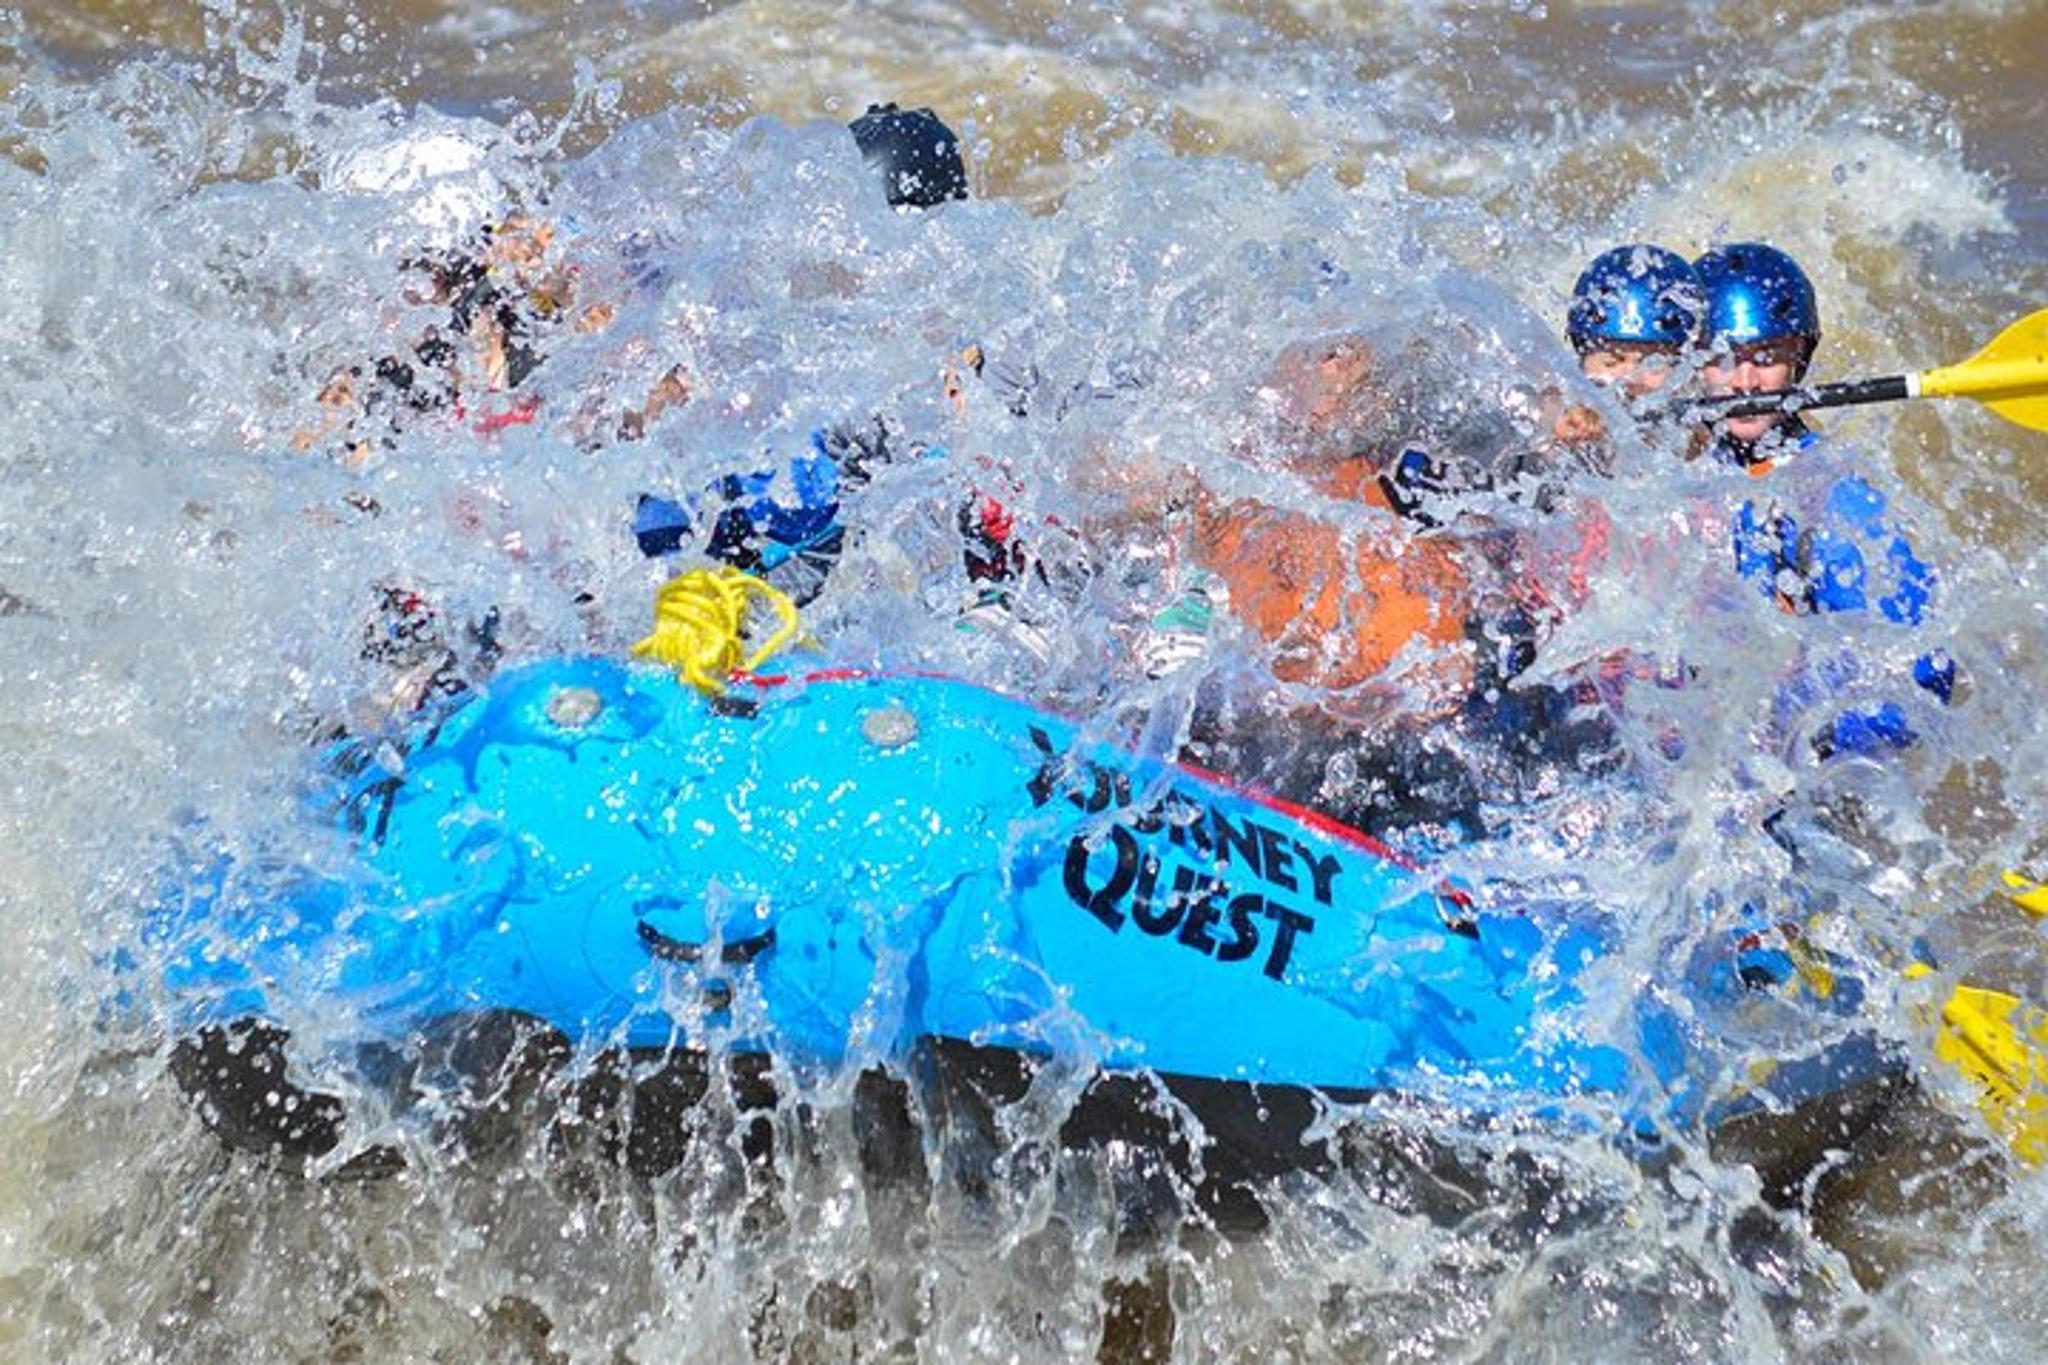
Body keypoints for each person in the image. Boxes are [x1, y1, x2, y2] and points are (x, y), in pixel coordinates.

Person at [1692, 242, 1956, 756]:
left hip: (1784, 768)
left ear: (1800, 359)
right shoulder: (1662, 466)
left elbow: (1924, 672)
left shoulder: (1834, 499)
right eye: (1720, 358)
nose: (1745, 382)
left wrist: (1811, 741)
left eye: (1766, 357)